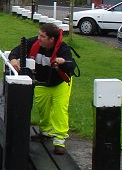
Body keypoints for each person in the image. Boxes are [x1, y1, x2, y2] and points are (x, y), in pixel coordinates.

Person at [8, 22, 76, 155]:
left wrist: (62, 62)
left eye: (42, 36)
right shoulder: (33, 43)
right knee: (42, 107)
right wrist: (14, 59)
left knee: (59, 110)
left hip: (60, 83)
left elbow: (71, 65)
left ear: (51, 39)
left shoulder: (63, 49)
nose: (39, 38)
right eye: (39, 35)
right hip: (41, 82)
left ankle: (59, 141)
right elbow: (15, 51)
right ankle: (46, 132)